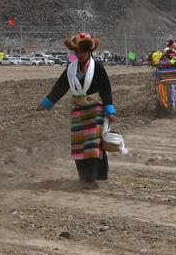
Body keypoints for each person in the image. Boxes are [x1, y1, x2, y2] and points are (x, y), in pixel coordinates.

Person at [37, 32, 116, 189]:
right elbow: (60, 87)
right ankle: (83, 177)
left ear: (89, 51)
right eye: (76, 52)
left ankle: (91, 179)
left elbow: (106, 89)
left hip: (95, 110)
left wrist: (110, 110)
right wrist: (46, 103)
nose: (79, 55)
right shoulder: (71, 69)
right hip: (78, 111)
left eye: (82, 52)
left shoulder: (98, 68)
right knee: (79, 145)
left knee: (92, 145)